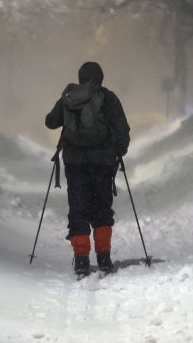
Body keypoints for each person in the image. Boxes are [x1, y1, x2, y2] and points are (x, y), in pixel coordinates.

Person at [45, 62, 130, 276]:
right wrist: (119, 151)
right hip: (103, 162)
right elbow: (122, 129)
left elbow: (51, 122)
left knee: (78, 208)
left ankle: (81, 260)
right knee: (102, 208)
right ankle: (103, 257)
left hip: (75, 162)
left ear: (80, 77)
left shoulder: (69, 96)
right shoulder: (109, 98)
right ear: (101, 77)